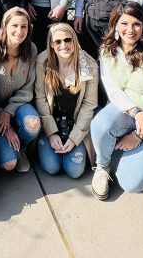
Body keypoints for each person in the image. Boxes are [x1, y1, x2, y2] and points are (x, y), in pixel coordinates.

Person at [89, 1, 143, 200]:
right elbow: (112, 89)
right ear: (116, 26)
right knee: (100, 124)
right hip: (129, 112)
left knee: (130, 183)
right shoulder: (107, 49)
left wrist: (138, 135)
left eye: (136, 24)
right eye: (124, 23)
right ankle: (102, 166)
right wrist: (136, 113)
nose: (130, 30)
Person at [33, 22, 98, 179]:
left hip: (75, 125)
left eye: (68, 40)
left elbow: (89, 105)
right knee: (52, 167)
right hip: (51, 123)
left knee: (74, 172)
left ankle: (74, 144)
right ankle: (45, 141)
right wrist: (51, 132)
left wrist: (74, 138)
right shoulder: (43, 61)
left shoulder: (89, 65)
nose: (63, 45)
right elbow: (40, 98)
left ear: (74, 40)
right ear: (51, 44)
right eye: (58, 41)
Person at [0, 7, 39, 173]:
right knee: (9, 164)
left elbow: (27, 89)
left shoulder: (31, 50)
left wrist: (8, 112)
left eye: (24, 26)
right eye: (14, 25)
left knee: (33, 124)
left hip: (18, 105)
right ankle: (0, 142)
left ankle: (21, 148)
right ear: (4, 26)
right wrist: (2, 116)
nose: (19, 31)